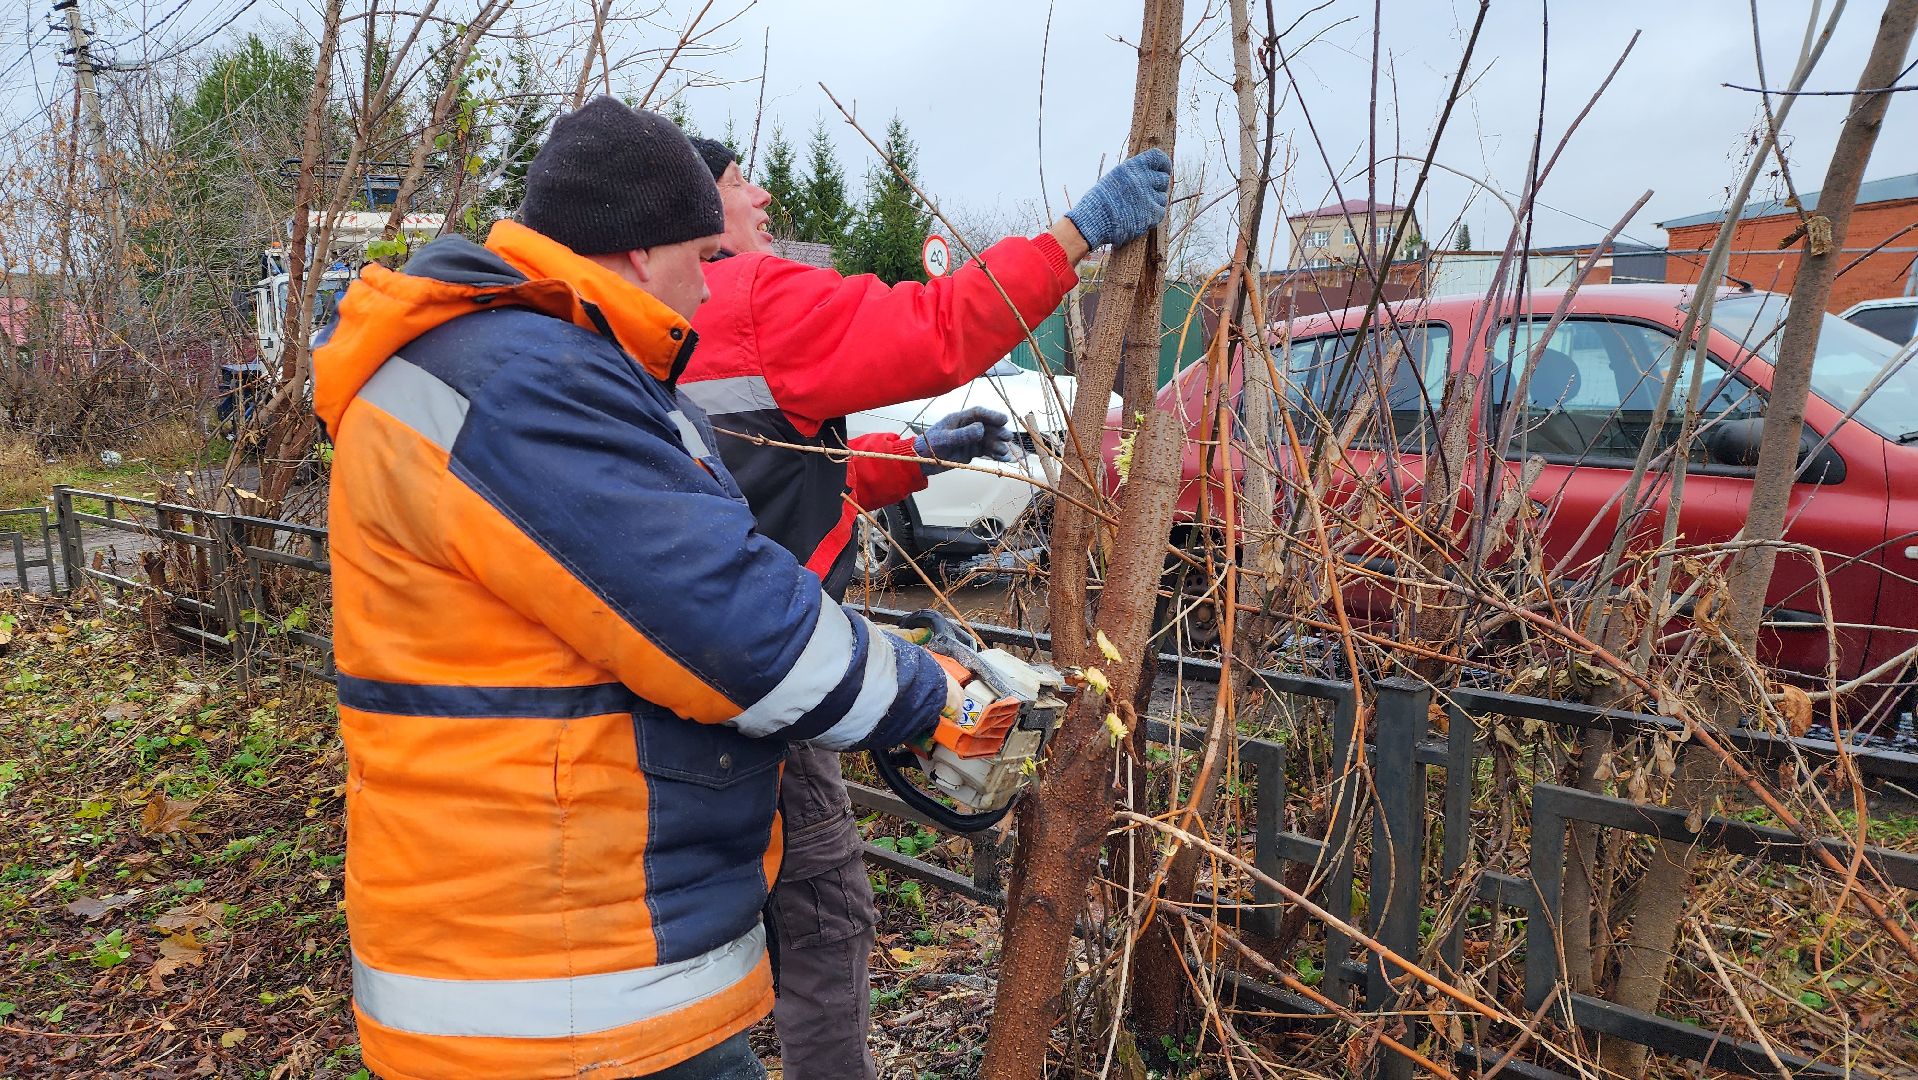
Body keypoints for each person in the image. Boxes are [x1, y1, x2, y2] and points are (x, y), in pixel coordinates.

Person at [313, 98, 958, 1080]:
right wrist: (937, 696)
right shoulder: (529, 381)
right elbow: (734, 625)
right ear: (632, 251)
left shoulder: (514, 359)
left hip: (536, 942)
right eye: (702, 255)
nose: (710, 286)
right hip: (557, 972)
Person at [679, 133, 1172, 1080]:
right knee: (824, 918)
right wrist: (1077, 233)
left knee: (718, 909)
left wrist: (916, 456)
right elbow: (936, 326)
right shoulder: (747, 293)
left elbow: (765, 474)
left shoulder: (643, 329)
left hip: (689, 662)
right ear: (696, 208)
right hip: (767, 673)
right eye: (743, 184)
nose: (766, 198)